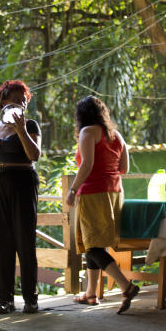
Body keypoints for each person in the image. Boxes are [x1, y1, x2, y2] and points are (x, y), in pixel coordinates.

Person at [65, 96, 139, 313]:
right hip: (114, 193)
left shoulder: (87, 132)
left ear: (82, 115)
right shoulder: (117, 135)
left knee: (93, 245)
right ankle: (90, 294)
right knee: (94, 243)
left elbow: (87, 165)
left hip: (93, 193)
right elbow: (124, 168)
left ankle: (127, 286)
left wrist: (72, 189)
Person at [0, 80, 41, 314]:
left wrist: (21, 130)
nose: (21, 104)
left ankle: (30, 299)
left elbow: (34, 155)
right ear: (3, 102)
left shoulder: (30, 124)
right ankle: (5, 299)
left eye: (23, 101)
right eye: (16, 99)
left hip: (23, 180)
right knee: (2, 241)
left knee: (25, 241)